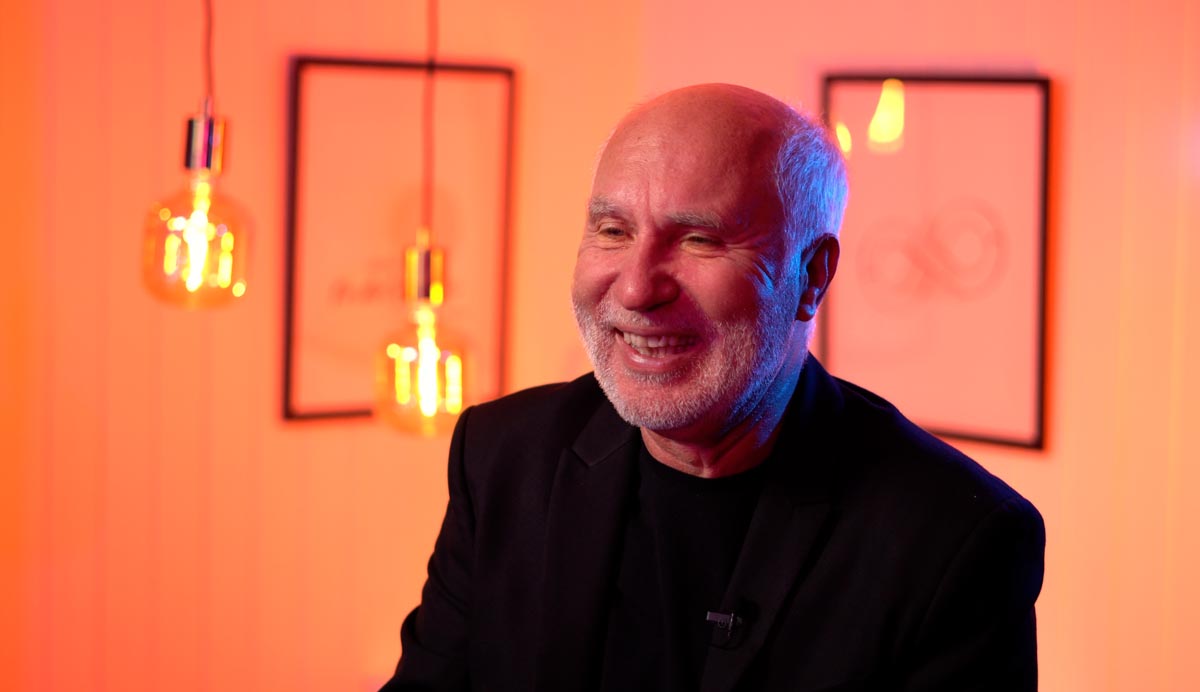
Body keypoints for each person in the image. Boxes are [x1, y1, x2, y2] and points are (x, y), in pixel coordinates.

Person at [380, 83, 1045, 692]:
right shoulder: (503, 457)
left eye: (699, 239)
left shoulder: (954, 539)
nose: (636, 288)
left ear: (811, 276)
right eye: (613, 231)